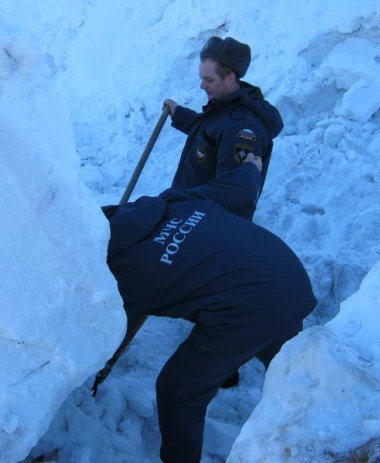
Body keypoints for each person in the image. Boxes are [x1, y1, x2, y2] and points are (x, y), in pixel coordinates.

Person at [101, 156, 317, 463]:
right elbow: (238, 190)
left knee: (177, 390)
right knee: (293, 369)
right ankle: (315, 414)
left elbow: (108, 333)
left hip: (253, 307)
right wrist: (250, 167)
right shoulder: (173, 201)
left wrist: (96, 373)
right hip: (287, 273)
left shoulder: (120, 271)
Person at [163, 36, 284, 220]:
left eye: (209, 80)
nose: (202, 85)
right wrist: (179, 114)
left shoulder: (242, 129)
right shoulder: (225, 106)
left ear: (229, 77)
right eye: (202, 78)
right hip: (189, 213)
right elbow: (211, 133)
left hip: (200, 223)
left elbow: (230, 196)